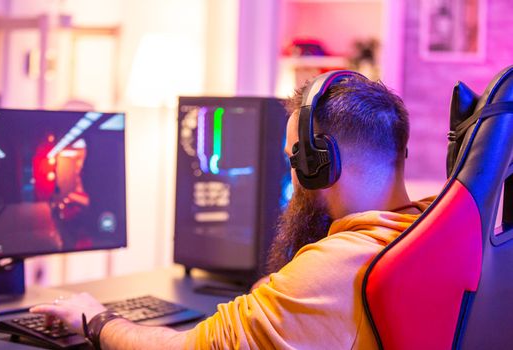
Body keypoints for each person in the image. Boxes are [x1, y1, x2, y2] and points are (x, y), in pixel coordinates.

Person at [31, 72, 433, 349]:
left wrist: (96, 319)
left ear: (318, 163)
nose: (293, 179)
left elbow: (187, 347)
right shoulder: (429, 225)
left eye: (293, 161)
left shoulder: (335, 266)